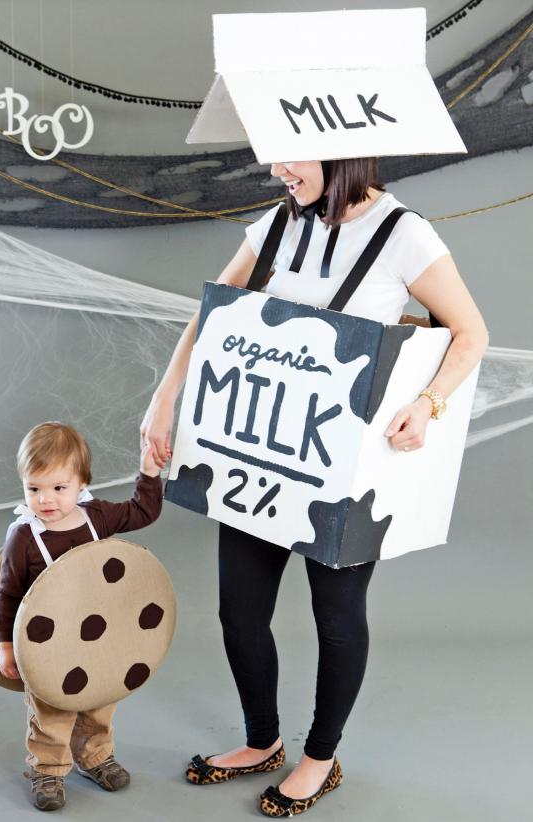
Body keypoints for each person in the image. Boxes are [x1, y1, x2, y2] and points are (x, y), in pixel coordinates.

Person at [141, 158, 488, 817]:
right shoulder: (275, 224)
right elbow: (213, 311)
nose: (276, 168)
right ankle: (261, 741)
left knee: (336, 616)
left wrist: (430, 403)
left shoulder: (402, 233)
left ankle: (320, 759)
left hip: (346, 468)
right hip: (262, 453)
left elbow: (471, 333)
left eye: (289, 153)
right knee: (239, 611)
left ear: (339, 149)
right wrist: (164, 399)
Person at [0, 421, 165, 812]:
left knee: (100, 701)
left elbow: (143, 511)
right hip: (50, 646)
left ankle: (94, 757)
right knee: (51, 712)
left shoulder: (96, 517)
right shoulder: (24, 537)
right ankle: (48, 771)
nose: (46, 500)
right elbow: (7, 594)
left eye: (58, 488)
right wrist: (5, 645)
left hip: (97, 638)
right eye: (33, 489)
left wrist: (150, 472)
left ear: (82, 482)